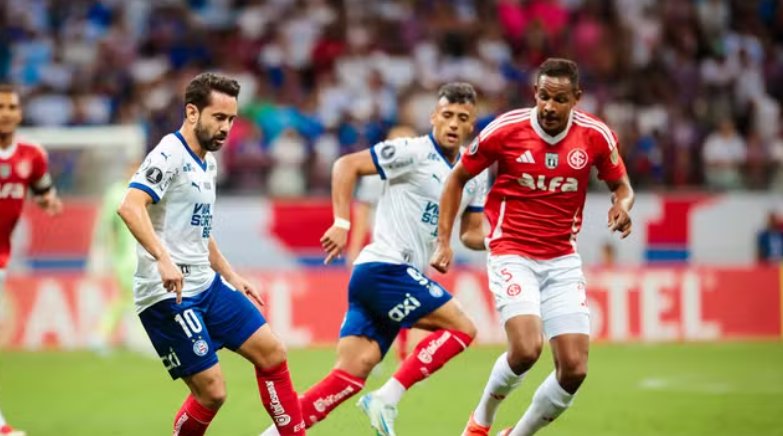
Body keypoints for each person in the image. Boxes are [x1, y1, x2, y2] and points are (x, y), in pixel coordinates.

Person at [261, 82, 489, 436]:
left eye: (462, 118)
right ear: (433, 117)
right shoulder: (411, 152)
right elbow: (346, 165)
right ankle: (388, 396)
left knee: (350, 374)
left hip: (383, 277)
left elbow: (471, 233)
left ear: (472, 125)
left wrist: (503, 237)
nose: (454, 124)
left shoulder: (475, 174)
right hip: (385, 267)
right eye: (447, 115)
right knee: (463, 328)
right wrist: (341, 222)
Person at [431, 58, 634, 436]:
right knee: (526, 349)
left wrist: (622, 206)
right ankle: (480, 422)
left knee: (574, 368)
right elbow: (456, 178)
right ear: (534, 94)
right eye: (543, 96)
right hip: (512, 251)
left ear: (576, 98)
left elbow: (622, 186)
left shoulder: (596, 136)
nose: (549, 107)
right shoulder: (506, 129)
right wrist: (443, 241)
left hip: (561, 259)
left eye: (559, 99)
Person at [117, 73, 305, 436]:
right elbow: (130, 206)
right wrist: (162, 258)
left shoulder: (209, 161)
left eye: (231, 120)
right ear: (192, 112)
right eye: (219, 118)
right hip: (167, 293)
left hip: (207, 283)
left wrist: (232, 276)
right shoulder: (169, 153)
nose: (226, 128)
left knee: (272, 353)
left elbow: (200, 231)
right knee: (212, 393)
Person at [0, 84, 63, 436]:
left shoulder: (32, 156)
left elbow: (42, 188)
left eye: (12, 106)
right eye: (0, 106)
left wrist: (49, 202)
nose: (6, 112)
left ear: (20, 113)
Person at [346, 124, 421, 363]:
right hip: (384, 248)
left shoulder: (423, 172)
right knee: (379, 304)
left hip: (415, 248)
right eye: (396, 142)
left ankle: (406, 355)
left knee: (412, 303)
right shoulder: (375, 174)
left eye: (406, 142)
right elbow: (363, 211)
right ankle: (368, 350)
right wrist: (354, 248)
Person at [91, 160, 142, 354]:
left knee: (127, 298)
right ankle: (102, 335)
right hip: (125, 259)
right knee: (130, 297)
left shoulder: (145, 192)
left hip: (143, 256)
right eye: (133, 169)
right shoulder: (116, 193)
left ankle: (103, 336)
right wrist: (104, 254)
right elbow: (106, 225)